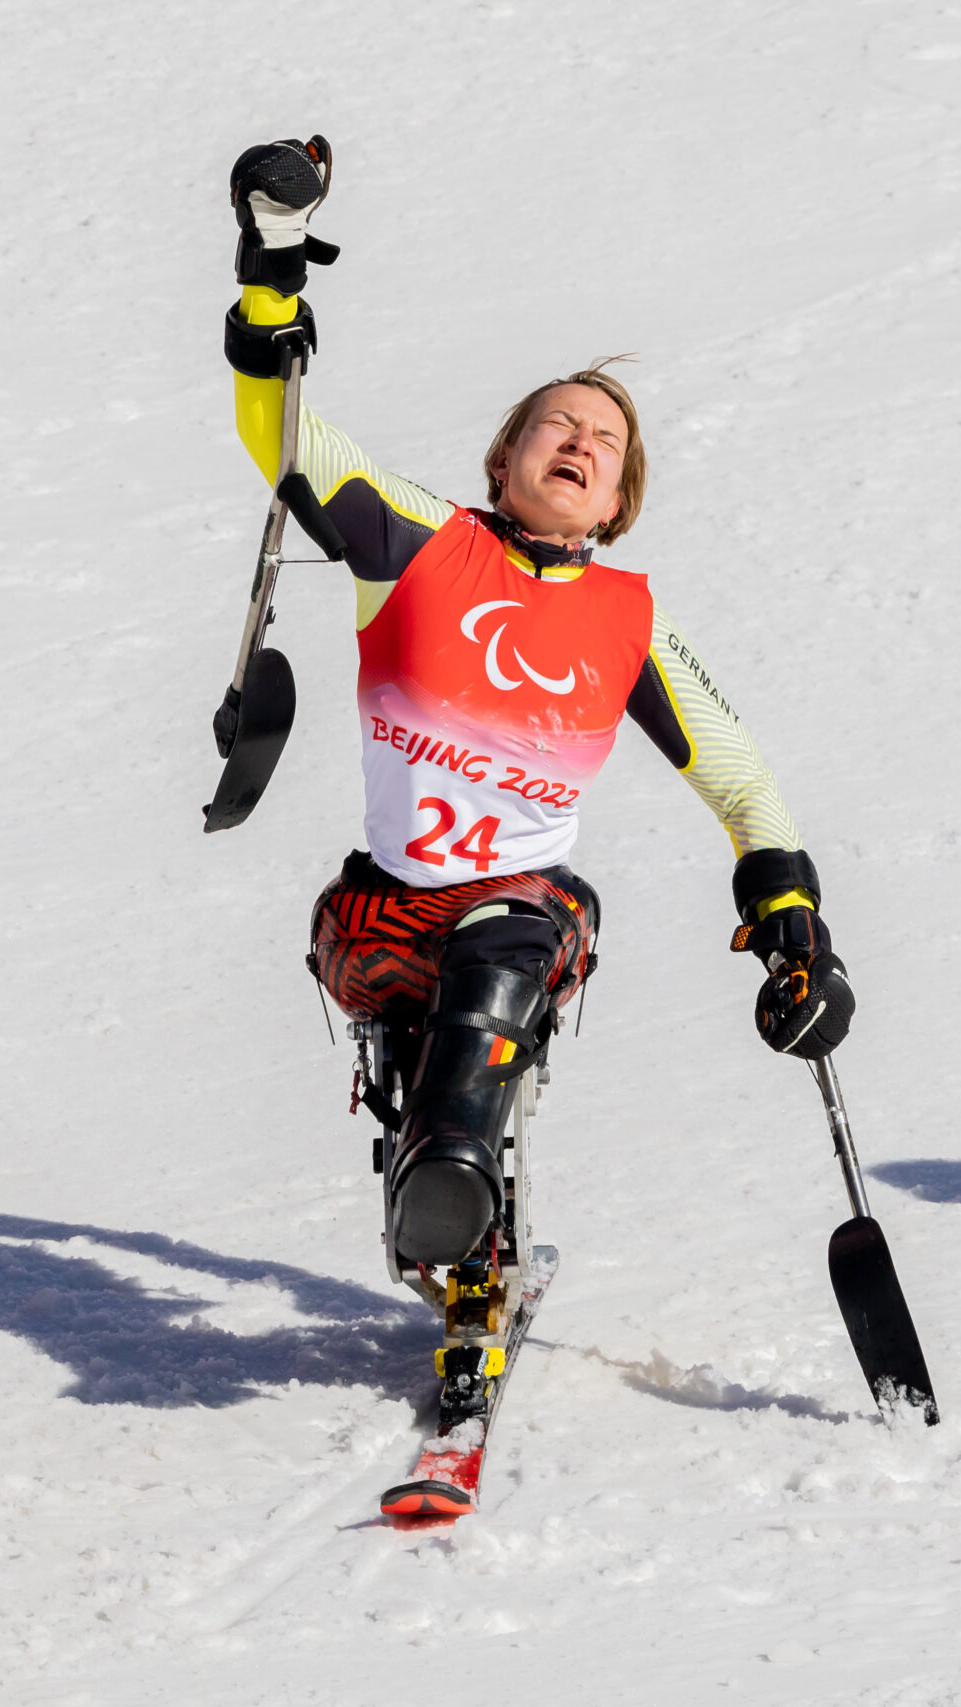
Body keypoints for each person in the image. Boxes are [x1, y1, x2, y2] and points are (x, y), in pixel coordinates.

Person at [223, 138, 854, 1274]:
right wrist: (267, 281)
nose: (578, 441)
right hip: (377, 923)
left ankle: (452, 1173)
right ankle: (442, 1178)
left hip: (519, 916)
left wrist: (793, 927)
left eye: (603, 443)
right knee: (452, 958)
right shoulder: (421, 542)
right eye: (556, 426)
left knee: (513, 934)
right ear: (504, 457)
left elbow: (740, 780)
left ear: (615, 506)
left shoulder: (629, 622)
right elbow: (286, 437)